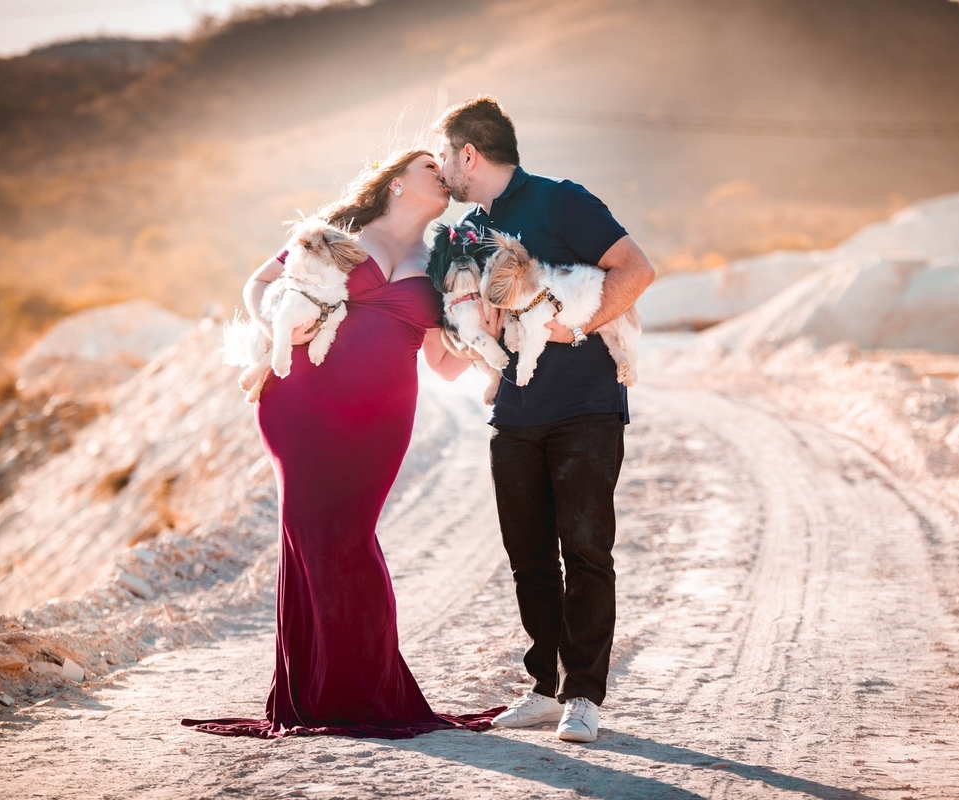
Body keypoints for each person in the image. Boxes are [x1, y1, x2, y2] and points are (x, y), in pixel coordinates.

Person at [181, 150, 501, 739]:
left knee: (350, 537)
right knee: (314, 533)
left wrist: (487, 329)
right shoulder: (339, 234)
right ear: (397, 182)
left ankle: (357, 688)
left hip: (382, 416)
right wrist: (278, 320)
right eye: (429, 164)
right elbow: (259, 283)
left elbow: (443, 364)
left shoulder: (442, 262)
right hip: (300, 401)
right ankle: (333, 690)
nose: (442, 172)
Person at [435, 97, 656, 743]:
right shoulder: (469, 231)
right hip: (514, 412)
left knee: (585, 552)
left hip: (585, 408)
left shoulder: (562, 200)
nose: (443, 166)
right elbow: (464, 327)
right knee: (527, 557)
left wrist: (575, 325)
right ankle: (543, 687)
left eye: (446, 155)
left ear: (468, 153)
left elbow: (637, 269)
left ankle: (583, 697)